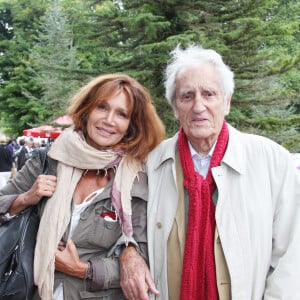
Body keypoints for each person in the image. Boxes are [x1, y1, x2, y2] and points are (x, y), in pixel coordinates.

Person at [119, 44, 300, 299]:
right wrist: (128, 252)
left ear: (226, 102)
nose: (198, 106)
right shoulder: (151, 162)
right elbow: (126, 223)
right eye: (187, 96)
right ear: (174, 107)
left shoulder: (272, 161)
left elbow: (291, 257)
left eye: (209, 94)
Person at [0, 73, 165, 299]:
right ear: (87, 110)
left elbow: (145, 259)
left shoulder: (137, 179)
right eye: (102, 107)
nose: (108, 120)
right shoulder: (48, 160)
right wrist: (25, 198)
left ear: (131, 125)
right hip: (33, 291)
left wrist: (83, 270)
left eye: (121, 114)